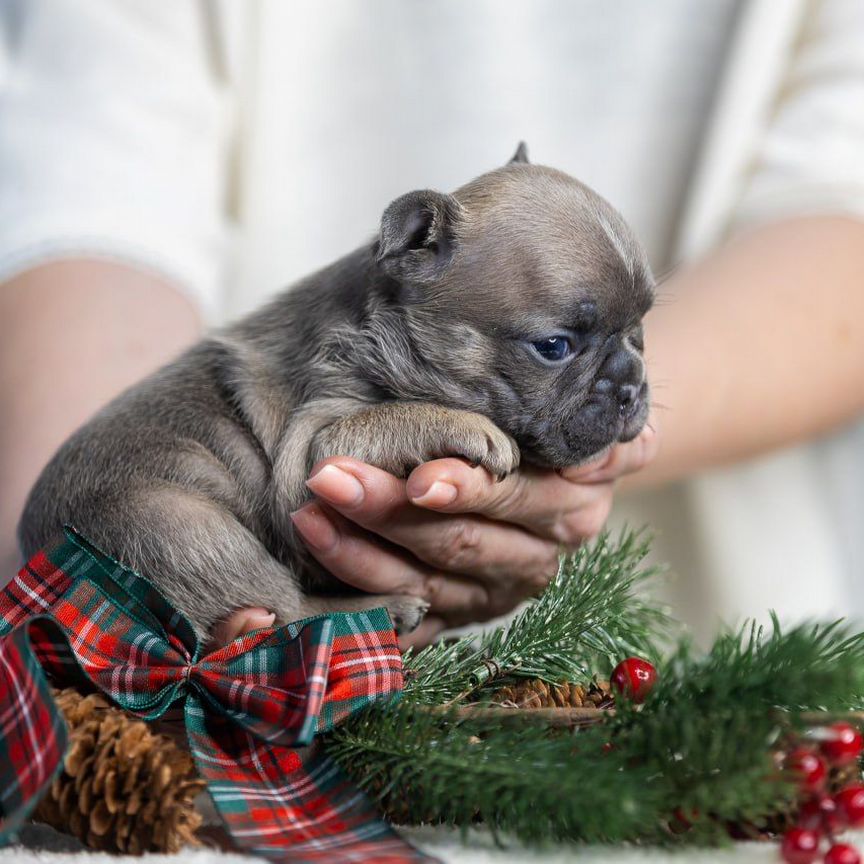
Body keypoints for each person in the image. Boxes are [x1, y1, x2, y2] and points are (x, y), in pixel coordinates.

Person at [2, 1, 863, 648]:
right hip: (141, 582)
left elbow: (842, 215)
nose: (632, 379)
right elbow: (91, 175)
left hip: (716, 621)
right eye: (558, 348)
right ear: (415, 246)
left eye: (634, 339)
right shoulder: (322, 362)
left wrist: (586, 455)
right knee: (189, 543)